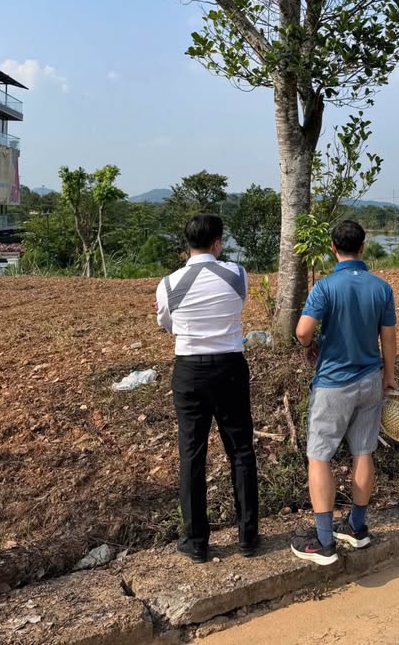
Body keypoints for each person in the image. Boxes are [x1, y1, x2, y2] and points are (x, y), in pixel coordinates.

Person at [290, 220, 397, 566]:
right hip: (370, 380)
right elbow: (388, 337)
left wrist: (308, 345)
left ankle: (324, 542)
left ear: (333, 248)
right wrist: (389, 376)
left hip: (333, 383)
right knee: (363, 452)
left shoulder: (325, 287)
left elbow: (302, 331)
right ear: (362, 247)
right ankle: (356, 526)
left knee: (319, 457)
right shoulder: (381, 288)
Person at [155, 213, 258, 564]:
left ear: (188, 243)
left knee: (192, 453)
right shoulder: (237, 275)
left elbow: (166, 323)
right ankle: (248, 537)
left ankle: (196, 541)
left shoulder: (168, 284)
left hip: (189, 370)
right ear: (217, 242)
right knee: (241, 450)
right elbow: (238, 305)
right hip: (230, 367)